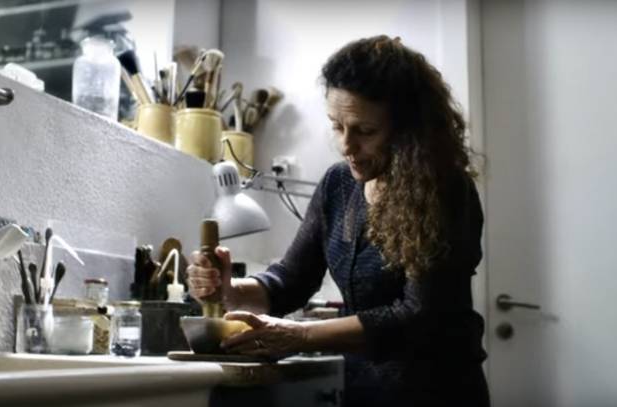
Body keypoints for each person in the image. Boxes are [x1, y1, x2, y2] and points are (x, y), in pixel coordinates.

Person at [187, 35, 489, 407]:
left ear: (409, 129)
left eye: (365, 131)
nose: (346, 145)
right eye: (336, 126)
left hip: (438, 391)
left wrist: (299, 335)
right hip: (362, 389)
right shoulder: (338, 184)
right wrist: (228, 287)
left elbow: (418, 316)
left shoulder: (444, 190)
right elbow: (289, 281)